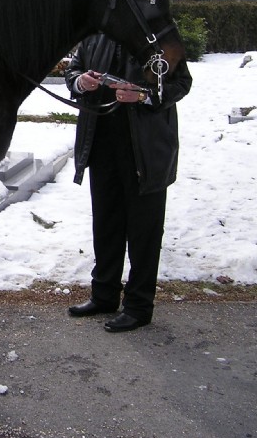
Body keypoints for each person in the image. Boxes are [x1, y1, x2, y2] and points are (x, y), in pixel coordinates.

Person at [64, 33, 192, 332]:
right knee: (106, 224)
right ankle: (104, 294)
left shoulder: (160, 38)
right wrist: (80, 81)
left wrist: (144, 95)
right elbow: (73, 70)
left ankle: (138, 306)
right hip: (101, 144)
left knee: (143, 231)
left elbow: (181, 83)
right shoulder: (97, 35)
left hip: (146, 150)